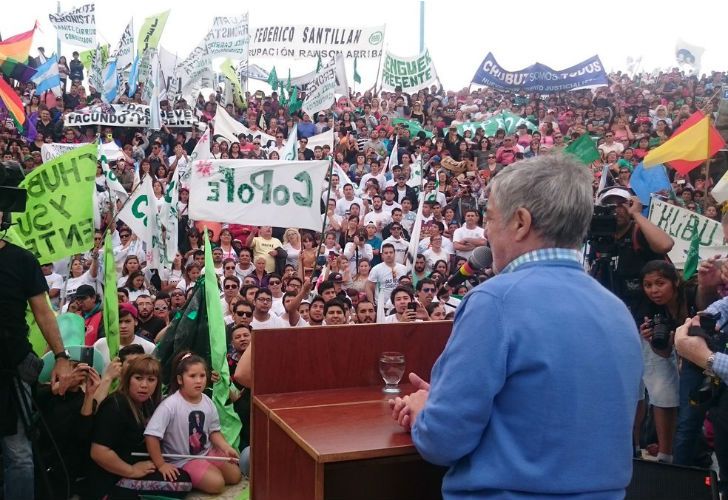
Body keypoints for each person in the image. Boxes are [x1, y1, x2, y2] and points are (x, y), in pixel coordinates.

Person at [390, 154, 642, 498]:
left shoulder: (495, 301)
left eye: (490, 219)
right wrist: (448, 398)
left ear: (521, 222)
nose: (486, 233)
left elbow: (442, 441)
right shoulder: (617, 310)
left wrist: (424, 412)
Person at [0, 227, 72, 500]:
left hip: (12, 371)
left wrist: (62, 358)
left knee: (19, 455)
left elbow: (43, 312)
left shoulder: (22, 260)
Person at [144, 352, 241, 495]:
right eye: (192, 376)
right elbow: (151, 436)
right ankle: (198, 473)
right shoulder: (170, 405)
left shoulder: (207, 401)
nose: (199, 381)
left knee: (235, 476)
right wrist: (161, 464)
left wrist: (225, 447)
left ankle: (205, 469)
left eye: (202, 376)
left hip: (206, 452)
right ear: (180, 379)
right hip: (183, 460)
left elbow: (214, 431)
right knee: (217, 484)